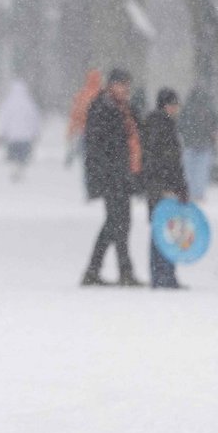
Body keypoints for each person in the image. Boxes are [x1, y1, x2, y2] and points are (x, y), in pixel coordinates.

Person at [81, 68, 143, 287]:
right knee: (119, 223)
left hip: (124, 175)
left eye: (127, 84)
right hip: (111, 177)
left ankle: (93, 270)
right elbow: (96, 146)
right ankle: (124, 272)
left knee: (114, 224)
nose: (125, 88)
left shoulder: (126, 109)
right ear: (111, 85)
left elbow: (136, 138)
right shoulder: (102, 108)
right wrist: (106, 173)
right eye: (121, 84)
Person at [141, 88, 189, 289]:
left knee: (162, 229)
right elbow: (166, 162)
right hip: (162, 189)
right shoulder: (163, 127)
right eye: (173, 104)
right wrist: (172, 187)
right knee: (165, 231)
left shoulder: (156, 124)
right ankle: (164, 275)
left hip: (159, 187)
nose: (176, 108)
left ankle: (161, 274)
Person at [0, 79, 41, 182]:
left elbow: (4, 119)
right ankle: (21, 171)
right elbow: (34, 119)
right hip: (25, 137)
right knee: (23, 156)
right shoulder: (29, 103)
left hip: (12, 137)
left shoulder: (8, 103)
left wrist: (2, 132)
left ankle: (14, 171)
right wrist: (35, 132)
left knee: (14, 157)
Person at [179, 86, 218, 202]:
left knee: (189, 172)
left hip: (189, 145)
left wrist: (185, 136)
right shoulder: (209, 108)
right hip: (205, 145)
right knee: (202, 172)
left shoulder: (186, 108)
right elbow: (215, 125)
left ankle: (191, 194)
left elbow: (180, 125)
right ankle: (199, 194)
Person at [66, 69, 103, 189]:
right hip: (100, 135)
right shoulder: (103, 94)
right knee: (100, 161)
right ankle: (100, 184)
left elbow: (75, 115)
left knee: (87, 161)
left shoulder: (82, 95)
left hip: (85, 133)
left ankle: (89, 185)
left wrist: (71, 132)